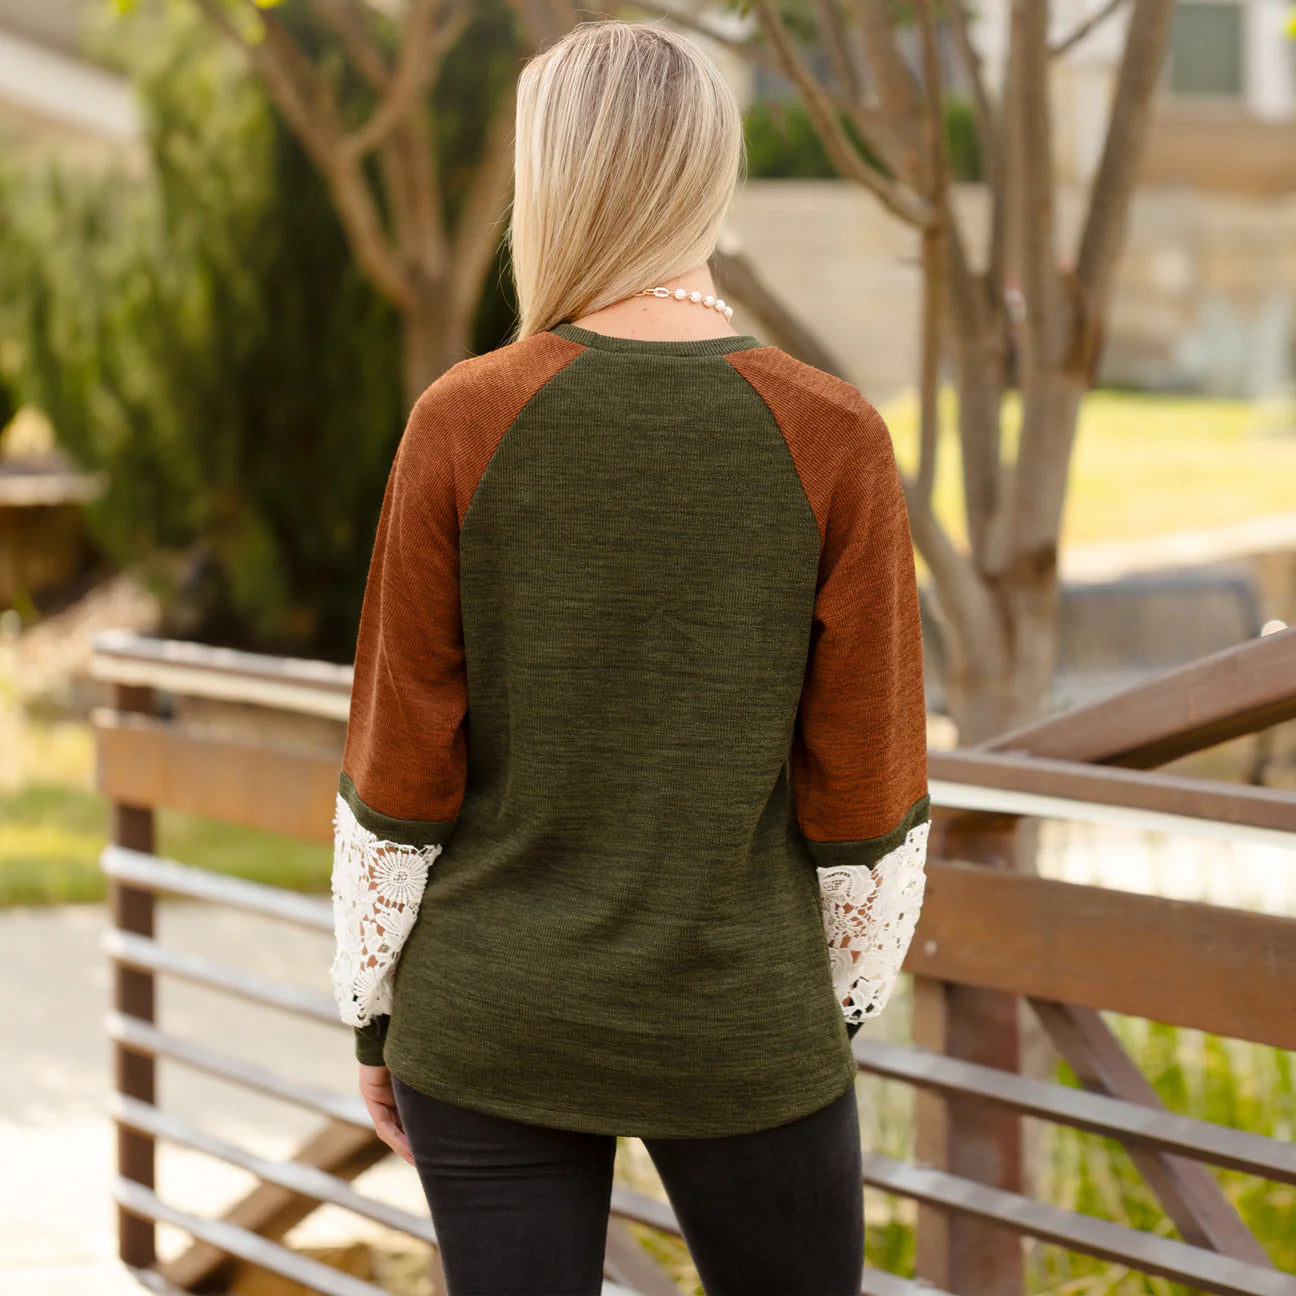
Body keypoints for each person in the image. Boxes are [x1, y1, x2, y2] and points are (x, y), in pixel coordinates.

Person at [328, 17, 930, 1296]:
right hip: (742, 1024)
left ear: (547, 180)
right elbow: (866, 799)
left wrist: (377, 1016)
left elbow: (401, 770)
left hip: (492, 1020)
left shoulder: (463, 418)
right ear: (711, 175)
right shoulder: (833, 434)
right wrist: (820, 1012)